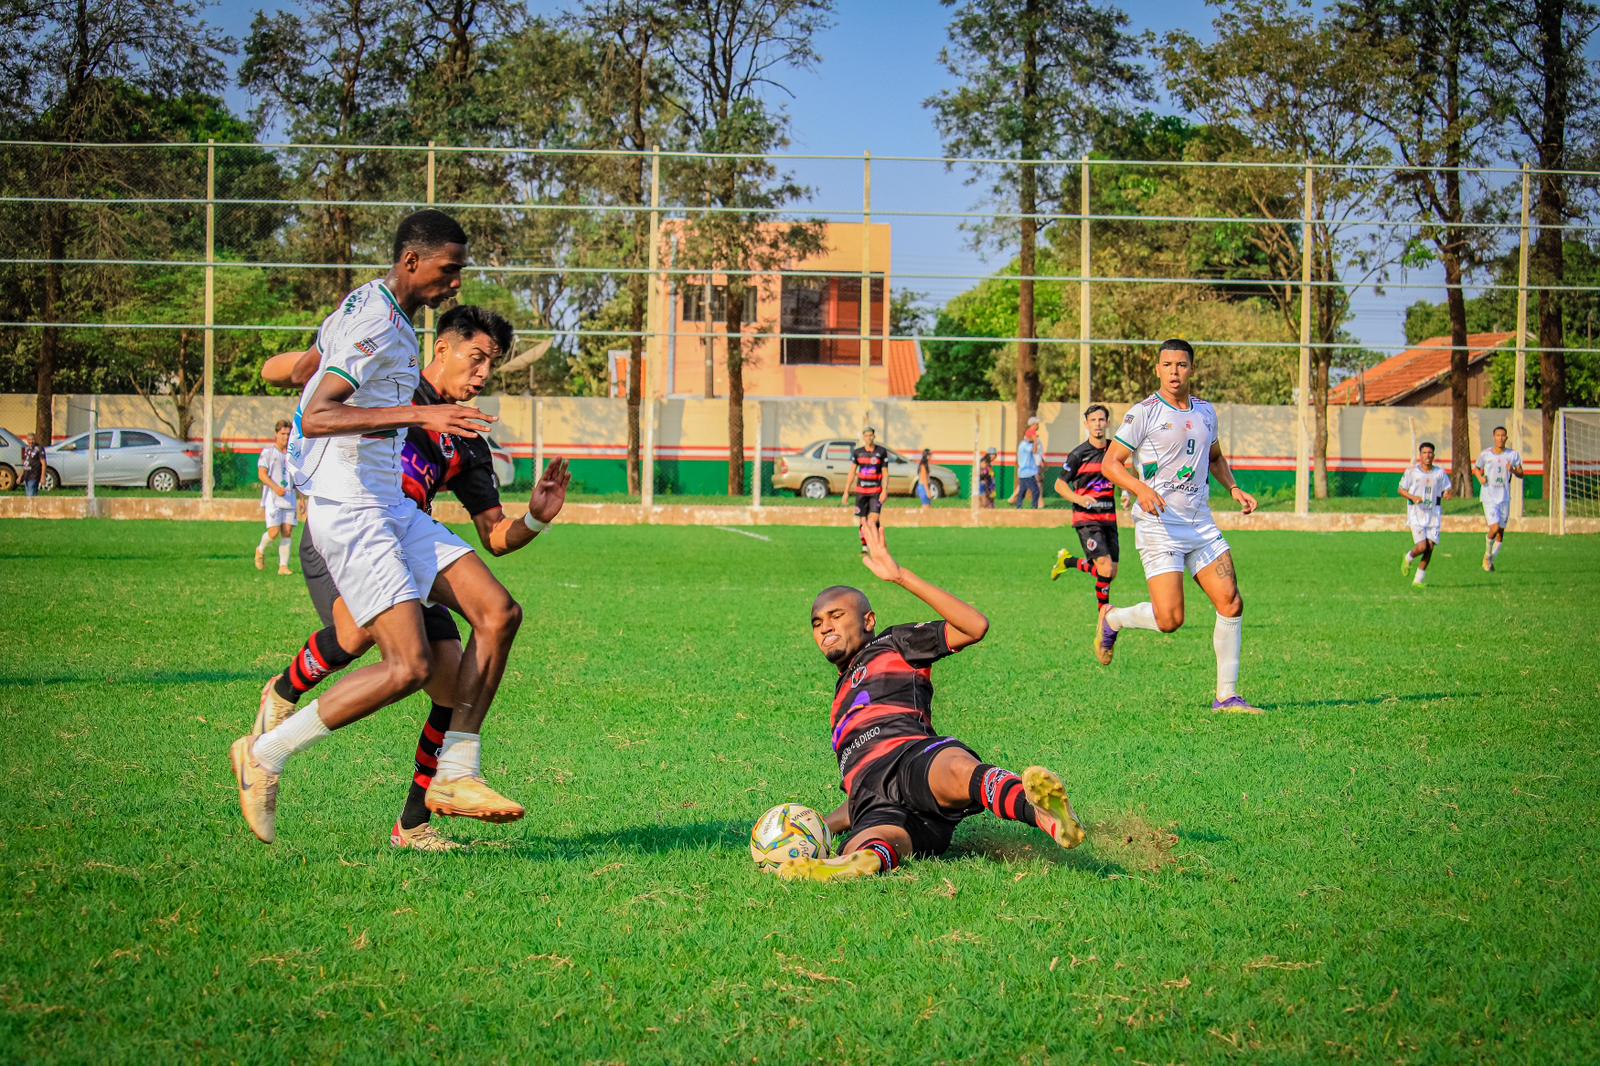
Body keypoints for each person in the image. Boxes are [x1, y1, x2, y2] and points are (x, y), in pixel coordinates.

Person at [230, 209, 526, 847]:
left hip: (389, 502)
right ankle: (266, 753)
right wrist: (423, 411)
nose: (455, 283)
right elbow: (316, 414)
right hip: (349, 507)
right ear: (413, 262)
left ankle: (456, 773)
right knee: (407, 666)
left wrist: (288, 366)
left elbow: (308, 366)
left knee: (498, 612)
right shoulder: (374, 322)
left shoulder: (369, 305)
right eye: (449, 271)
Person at [253, 304, 571, 852]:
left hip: (407, 544)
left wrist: (537, 518)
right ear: (441, 348)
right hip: (345, 532)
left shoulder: (468, 437)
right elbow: (278, 373)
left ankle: (416, 823)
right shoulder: (388, 380)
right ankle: (280, 697)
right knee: (359, 633)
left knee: (452, 685)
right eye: (476, 358)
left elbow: (494, 536)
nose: (483, 374)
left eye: (491, 365)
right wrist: (318, 356)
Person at [778, 522, 1087, 882]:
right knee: (867, 841)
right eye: (817, 623)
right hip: (871, 799)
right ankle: (862, 858)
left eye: (836, 616)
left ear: (868, 621)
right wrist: (820, 827)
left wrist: (900, 576)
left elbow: (974, 626)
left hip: (911, 759)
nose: (825, 627)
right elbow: (859, 783)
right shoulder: (837, 705)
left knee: (955, 768)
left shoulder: (893, 643)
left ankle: (1043, 813)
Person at [1097, 339, 1262, 715]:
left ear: (1192, 369)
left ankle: (1227, 696)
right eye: (1167, 364)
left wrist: (1233, 487)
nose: (1174, 371)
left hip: (1200, 523)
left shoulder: (1206, 412)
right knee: (1170, 620)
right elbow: (1112, 464)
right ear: (1157, 369)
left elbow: (1215, 457)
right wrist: (1140, 489)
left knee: (1231, 601)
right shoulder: (1144, 413)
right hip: (1159, 527)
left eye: (1181, 364)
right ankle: (1113, 617)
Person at [1050, 404, 1119, 610]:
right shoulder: (1078, 454)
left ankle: (1068, 561)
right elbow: (1059, 484)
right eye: (1093, 421)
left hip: (1109, 517)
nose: (1097, 424)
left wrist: (1127, 494)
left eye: (1101, 420)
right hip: (1086, 518)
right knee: (1105, 568)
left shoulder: (1114, 450)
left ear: (1107, 422)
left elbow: (1123, 475)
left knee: (1111, 571)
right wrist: (1079, 499)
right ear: (1086, 424)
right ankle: (1103, 617)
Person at [1399, 442, 1450, 588]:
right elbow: (1401, 490)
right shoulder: (1412, 472)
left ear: (1433, 455)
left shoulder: (1440, 473)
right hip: (1417, 514)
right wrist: (1413, 498)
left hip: (1434, 515)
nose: (1427, 455)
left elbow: (1447, 489)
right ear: (1420, 455)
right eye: (1424, 453)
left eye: (1430, 452)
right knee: (1422, 547)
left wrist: (1447, 493)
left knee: (1430, 547)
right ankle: (1408, 557)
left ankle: (1418, 580)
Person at [1472, 426, 1523, 572]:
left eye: (1503, 435)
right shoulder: (1486, 454)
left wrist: (1513, 470)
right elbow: (1476, 468)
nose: (1500, 438)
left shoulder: (1513, 455)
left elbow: (1521, 473)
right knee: (1494, 528)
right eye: (1498, 435)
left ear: (1506, 438)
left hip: (1504, 497)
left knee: (1501, 532)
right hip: (1488, 496)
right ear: (1494, 437)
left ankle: (1490, 560)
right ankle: (1487, 555)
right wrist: (1480, 478)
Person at [255, 420, 298, 575]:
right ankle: (260, 551)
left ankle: (283, 566)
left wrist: (302, 499)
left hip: (290, 497)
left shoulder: (292, 455)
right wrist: (275, 487)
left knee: (287, 531)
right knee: (273, 532)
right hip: (273, 498)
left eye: (288, 434)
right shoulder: (268, 453)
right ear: (276, 434)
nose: (285, 437)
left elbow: (297, 479)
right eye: (283, 434)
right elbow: (262, 474)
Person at [844, 427, 889, 553]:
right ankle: (864, 546)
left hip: (876, 492)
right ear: (863, 438)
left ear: (874, 436)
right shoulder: (857, 452)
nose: (869, 438)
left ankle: (877, 544)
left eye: (871, 435)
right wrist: (846, 491)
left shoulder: (881, 451)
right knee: (863, 520)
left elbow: (885, 472)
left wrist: (885, 490)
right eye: (866, 435)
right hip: (861, 492)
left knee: (873, 519)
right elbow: (852, 472)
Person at [1014, 417, 1043, 509]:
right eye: (1037, 424)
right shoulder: (1025, 445)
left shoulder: (1026, 444)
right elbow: (1034, 451)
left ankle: (1019, 507)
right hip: (1027, 472)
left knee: (1022, 491)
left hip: (1025, 472)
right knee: (1036, 491)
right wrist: (1035, 442)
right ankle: (1034, 508)